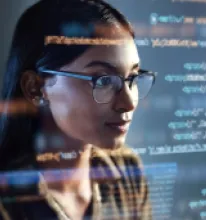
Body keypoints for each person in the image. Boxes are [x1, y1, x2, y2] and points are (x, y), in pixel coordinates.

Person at [0, 0, 156, 219]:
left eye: (132, 78)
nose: (129, 102)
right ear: (36, 88)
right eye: (102, 81)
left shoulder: (127, 171)